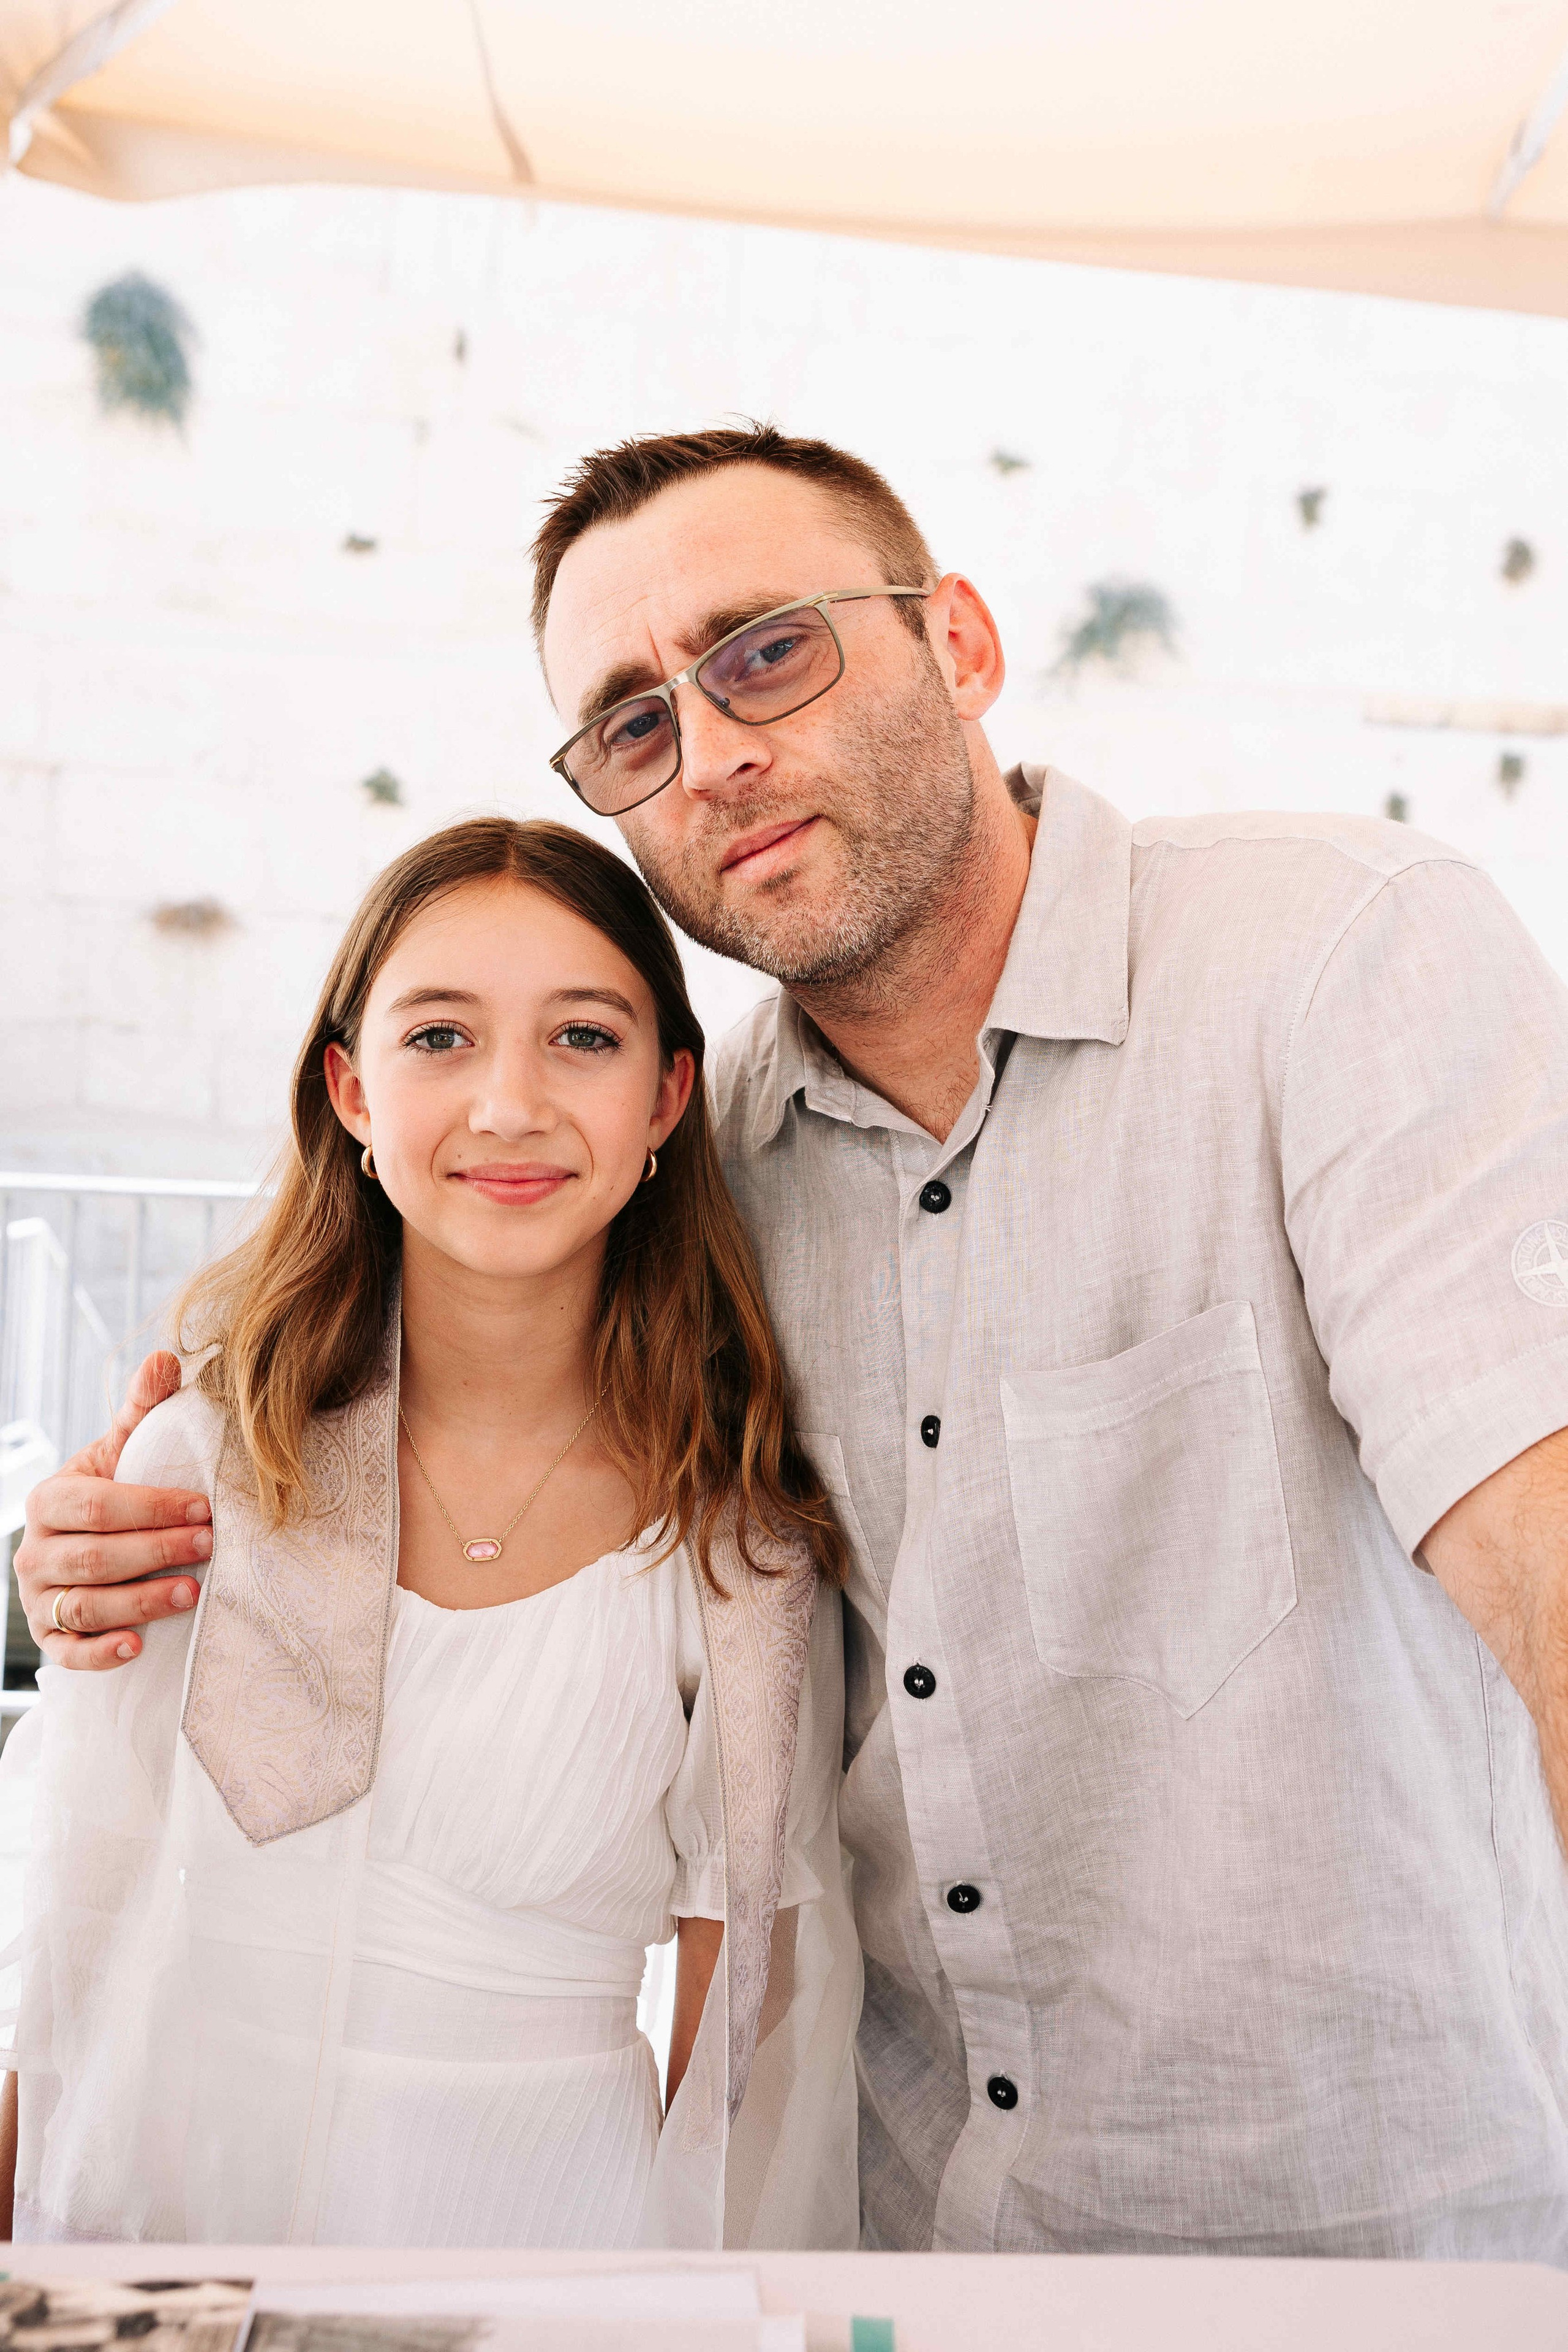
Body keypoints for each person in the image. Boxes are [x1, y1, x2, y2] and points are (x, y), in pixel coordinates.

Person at [19, 423, 1568, 2261]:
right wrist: (96, 1541)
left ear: (964, 646)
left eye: (768, 650)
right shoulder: (708, 1170)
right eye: (634, 723)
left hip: (1368, 2237)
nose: (716, 751)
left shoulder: (1326, 960)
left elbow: (1537, 1539)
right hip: (912, 2246)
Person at [0, 814, 859, 2249]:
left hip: (548, 2240)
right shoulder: (207, 1458)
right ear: (348, 1087)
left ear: (666, 1097)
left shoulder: (733, 1542)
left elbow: (732, 2048)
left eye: (583, 1038)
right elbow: (71, 1920)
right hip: (174, 2209)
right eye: (440, 1038)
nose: (509, 1106)